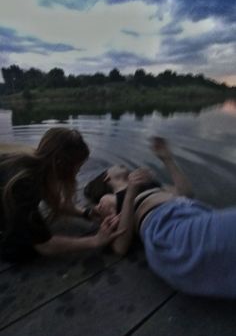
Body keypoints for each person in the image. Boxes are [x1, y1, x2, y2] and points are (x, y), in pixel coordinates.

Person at [86, 137, 236, 298]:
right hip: (168, 228)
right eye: (115, 166)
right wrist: (130, 192)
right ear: (106, 177)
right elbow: (120, 247)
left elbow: (186, 193)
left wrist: (167, 159)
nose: (123, 166)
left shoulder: (150, 183)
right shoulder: (108, 199)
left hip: (195, 212)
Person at [0, 127, 121, 263]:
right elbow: (45, 246)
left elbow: (55, 202)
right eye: (78, 167)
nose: (77, 173)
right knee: (18, 251)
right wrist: (96, 240)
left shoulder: (34, 162)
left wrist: (86, 213)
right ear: (61, 164)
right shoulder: (23, 184)